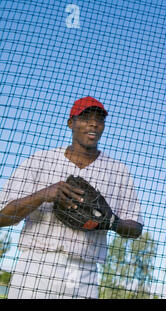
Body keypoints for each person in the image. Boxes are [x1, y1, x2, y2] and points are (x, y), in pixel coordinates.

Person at [0, 96, 143, 299]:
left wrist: (112, 222)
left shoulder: (118, 171)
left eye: (99, 119)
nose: (93, 123)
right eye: (85, 117)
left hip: (83, 271)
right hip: (35, 265)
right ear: (71, 123)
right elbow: (2, 217)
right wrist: (43, 195)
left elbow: (136, 228)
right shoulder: (41, 160)